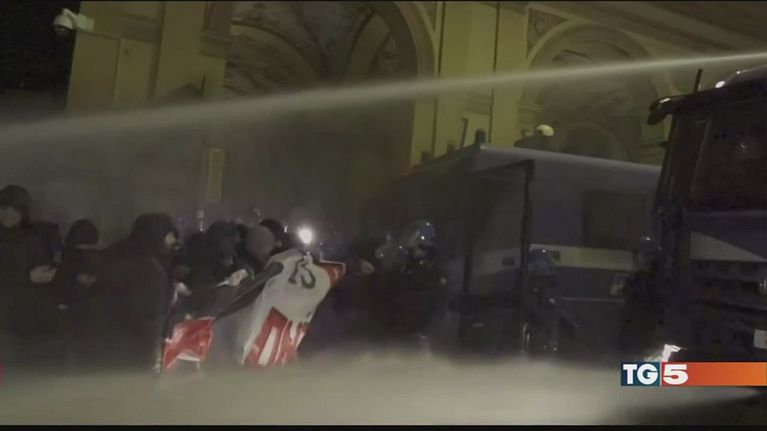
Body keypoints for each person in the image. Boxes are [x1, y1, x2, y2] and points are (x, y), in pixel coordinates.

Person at [89, 213, 179, 372]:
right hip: (130, 352)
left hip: (98, 345)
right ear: (157, 235)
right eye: (170, 236)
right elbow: (149, 318)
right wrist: (153, 355)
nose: (173, 241)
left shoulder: (114, 255)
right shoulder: (149, 269)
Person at [0, 185, 57, 367]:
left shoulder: (31, 239)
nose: (8, 214)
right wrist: (27, 278)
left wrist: (49, 275)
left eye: (15, 209)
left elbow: (43, 270)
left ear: (23, 212)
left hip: (26, 313)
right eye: (3, 208)